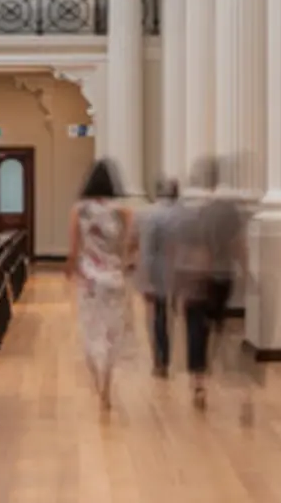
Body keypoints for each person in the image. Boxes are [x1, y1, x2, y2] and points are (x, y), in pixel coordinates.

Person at [175, 155, 250, 413]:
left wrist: (186, 279)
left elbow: (191, 247)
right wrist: (247, 271)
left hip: (201, 276)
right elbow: (239, 244)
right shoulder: (231, 211)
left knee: (196, 328)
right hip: (224, 276)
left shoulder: (197, 211)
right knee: (219, 325)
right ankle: (219, 366)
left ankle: (199, 379)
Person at [65, 158, 136, 410]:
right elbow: (131, 247)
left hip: (90, 277)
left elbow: (74, 249)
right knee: (113, 330)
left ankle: (97, 379)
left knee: (90, 328)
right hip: (114, 277)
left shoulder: (79, 210)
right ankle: (107, 378)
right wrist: (123, 263)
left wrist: (70, 269)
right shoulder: (124, 211)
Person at [136, 177, 184, 377]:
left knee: (156, 317)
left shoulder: (149, 214)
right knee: (171, 318)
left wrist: (144, 278)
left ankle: (159, 360)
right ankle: (167, 357)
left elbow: (146, 250)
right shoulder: (183, 215)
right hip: (177, 270)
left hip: (155, 271)